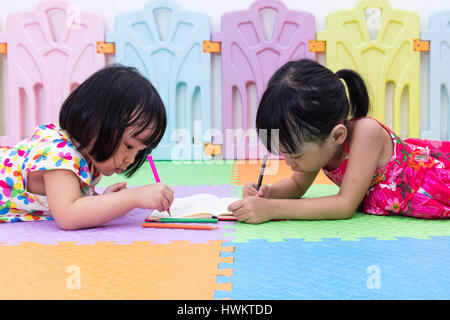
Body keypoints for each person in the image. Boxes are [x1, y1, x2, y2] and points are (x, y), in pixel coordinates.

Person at [228, 59, 449, 223]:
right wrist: (266, 194)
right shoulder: (320, 143)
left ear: (337, 136)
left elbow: (344, 205)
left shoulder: (366, 132)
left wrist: (272, 209)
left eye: (295, 155)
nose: (288, 162)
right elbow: (296, 185)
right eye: (284, 153)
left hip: (435, 179)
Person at [0, 65, 174, 229]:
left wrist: (103, 200)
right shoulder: (59, 154)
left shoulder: (86, 156)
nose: (131, 159)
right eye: (129, 146)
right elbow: (68, 214)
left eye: (139, 151)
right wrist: (133, 197)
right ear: (94, 125)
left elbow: (72, 200)